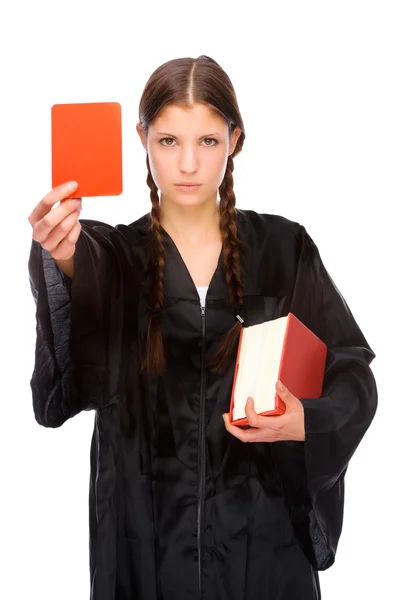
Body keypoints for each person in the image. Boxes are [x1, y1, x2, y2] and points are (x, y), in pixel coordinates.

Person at [27, 55, 377, 600]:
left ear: (234, 139)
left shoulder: (284, 250)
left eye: (207, 141)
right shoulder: (114, 257)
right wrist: (64, 258)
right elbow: (71, 371)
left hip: (262, 546)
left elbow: (351, 371)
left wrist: (306, 420)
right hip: (144, 546)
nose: (188, 163)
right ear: (141, 137)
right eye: (168, 141)